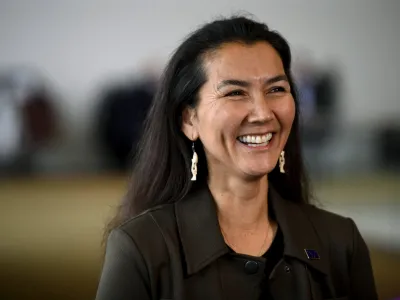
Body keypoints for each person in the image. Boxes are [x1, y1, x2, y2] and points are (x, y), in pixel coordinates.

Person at [96, 16, 378, 300]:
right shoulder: (141, 248)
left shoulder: (341, 242)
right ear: (188, 120)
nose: (263, 113)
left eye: (276, 89)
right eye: (235, 92)